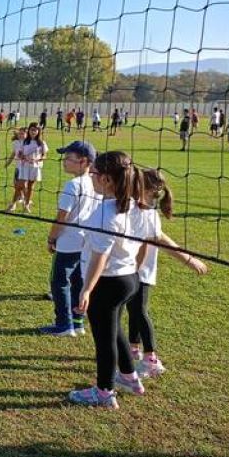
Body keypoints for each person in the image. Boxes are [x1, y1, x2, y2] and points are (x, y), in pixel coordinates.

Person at [68, 152, 144, 410]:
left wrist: (87, 289)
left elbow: (100, 257)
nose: (91, 177)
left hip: (108, 281)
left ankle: (103, 392)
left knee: (104, 339)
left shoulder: (105, 213)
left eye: (95, 174)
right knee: (115, 329)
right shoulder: (132, 203)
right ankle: (129, 376)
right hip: (129, 278)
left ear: (107, 179)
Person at [128, 169, 207, 378]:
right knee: (133, 310)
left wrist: (188, 259)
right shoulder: (138, 208)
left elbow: (158, 240)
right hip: (132, 269)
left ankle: (151, 360)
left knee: (139, 311)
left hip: (139, 271)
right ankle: (133, 348)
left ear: (145, 188)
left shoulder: (148, 214)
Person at [41, 140, 100, 337]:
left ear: (84, 162)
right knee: (78, 280)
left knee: (60, 282)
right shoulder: (95, 183)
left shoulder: (72, 185)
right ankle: (78, 322)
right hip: (86, 241)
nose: (64, 162)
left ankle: (64, 324)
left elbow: (62, 216)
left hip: (68, 241)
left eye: (69, 158)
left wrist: (52, 238)